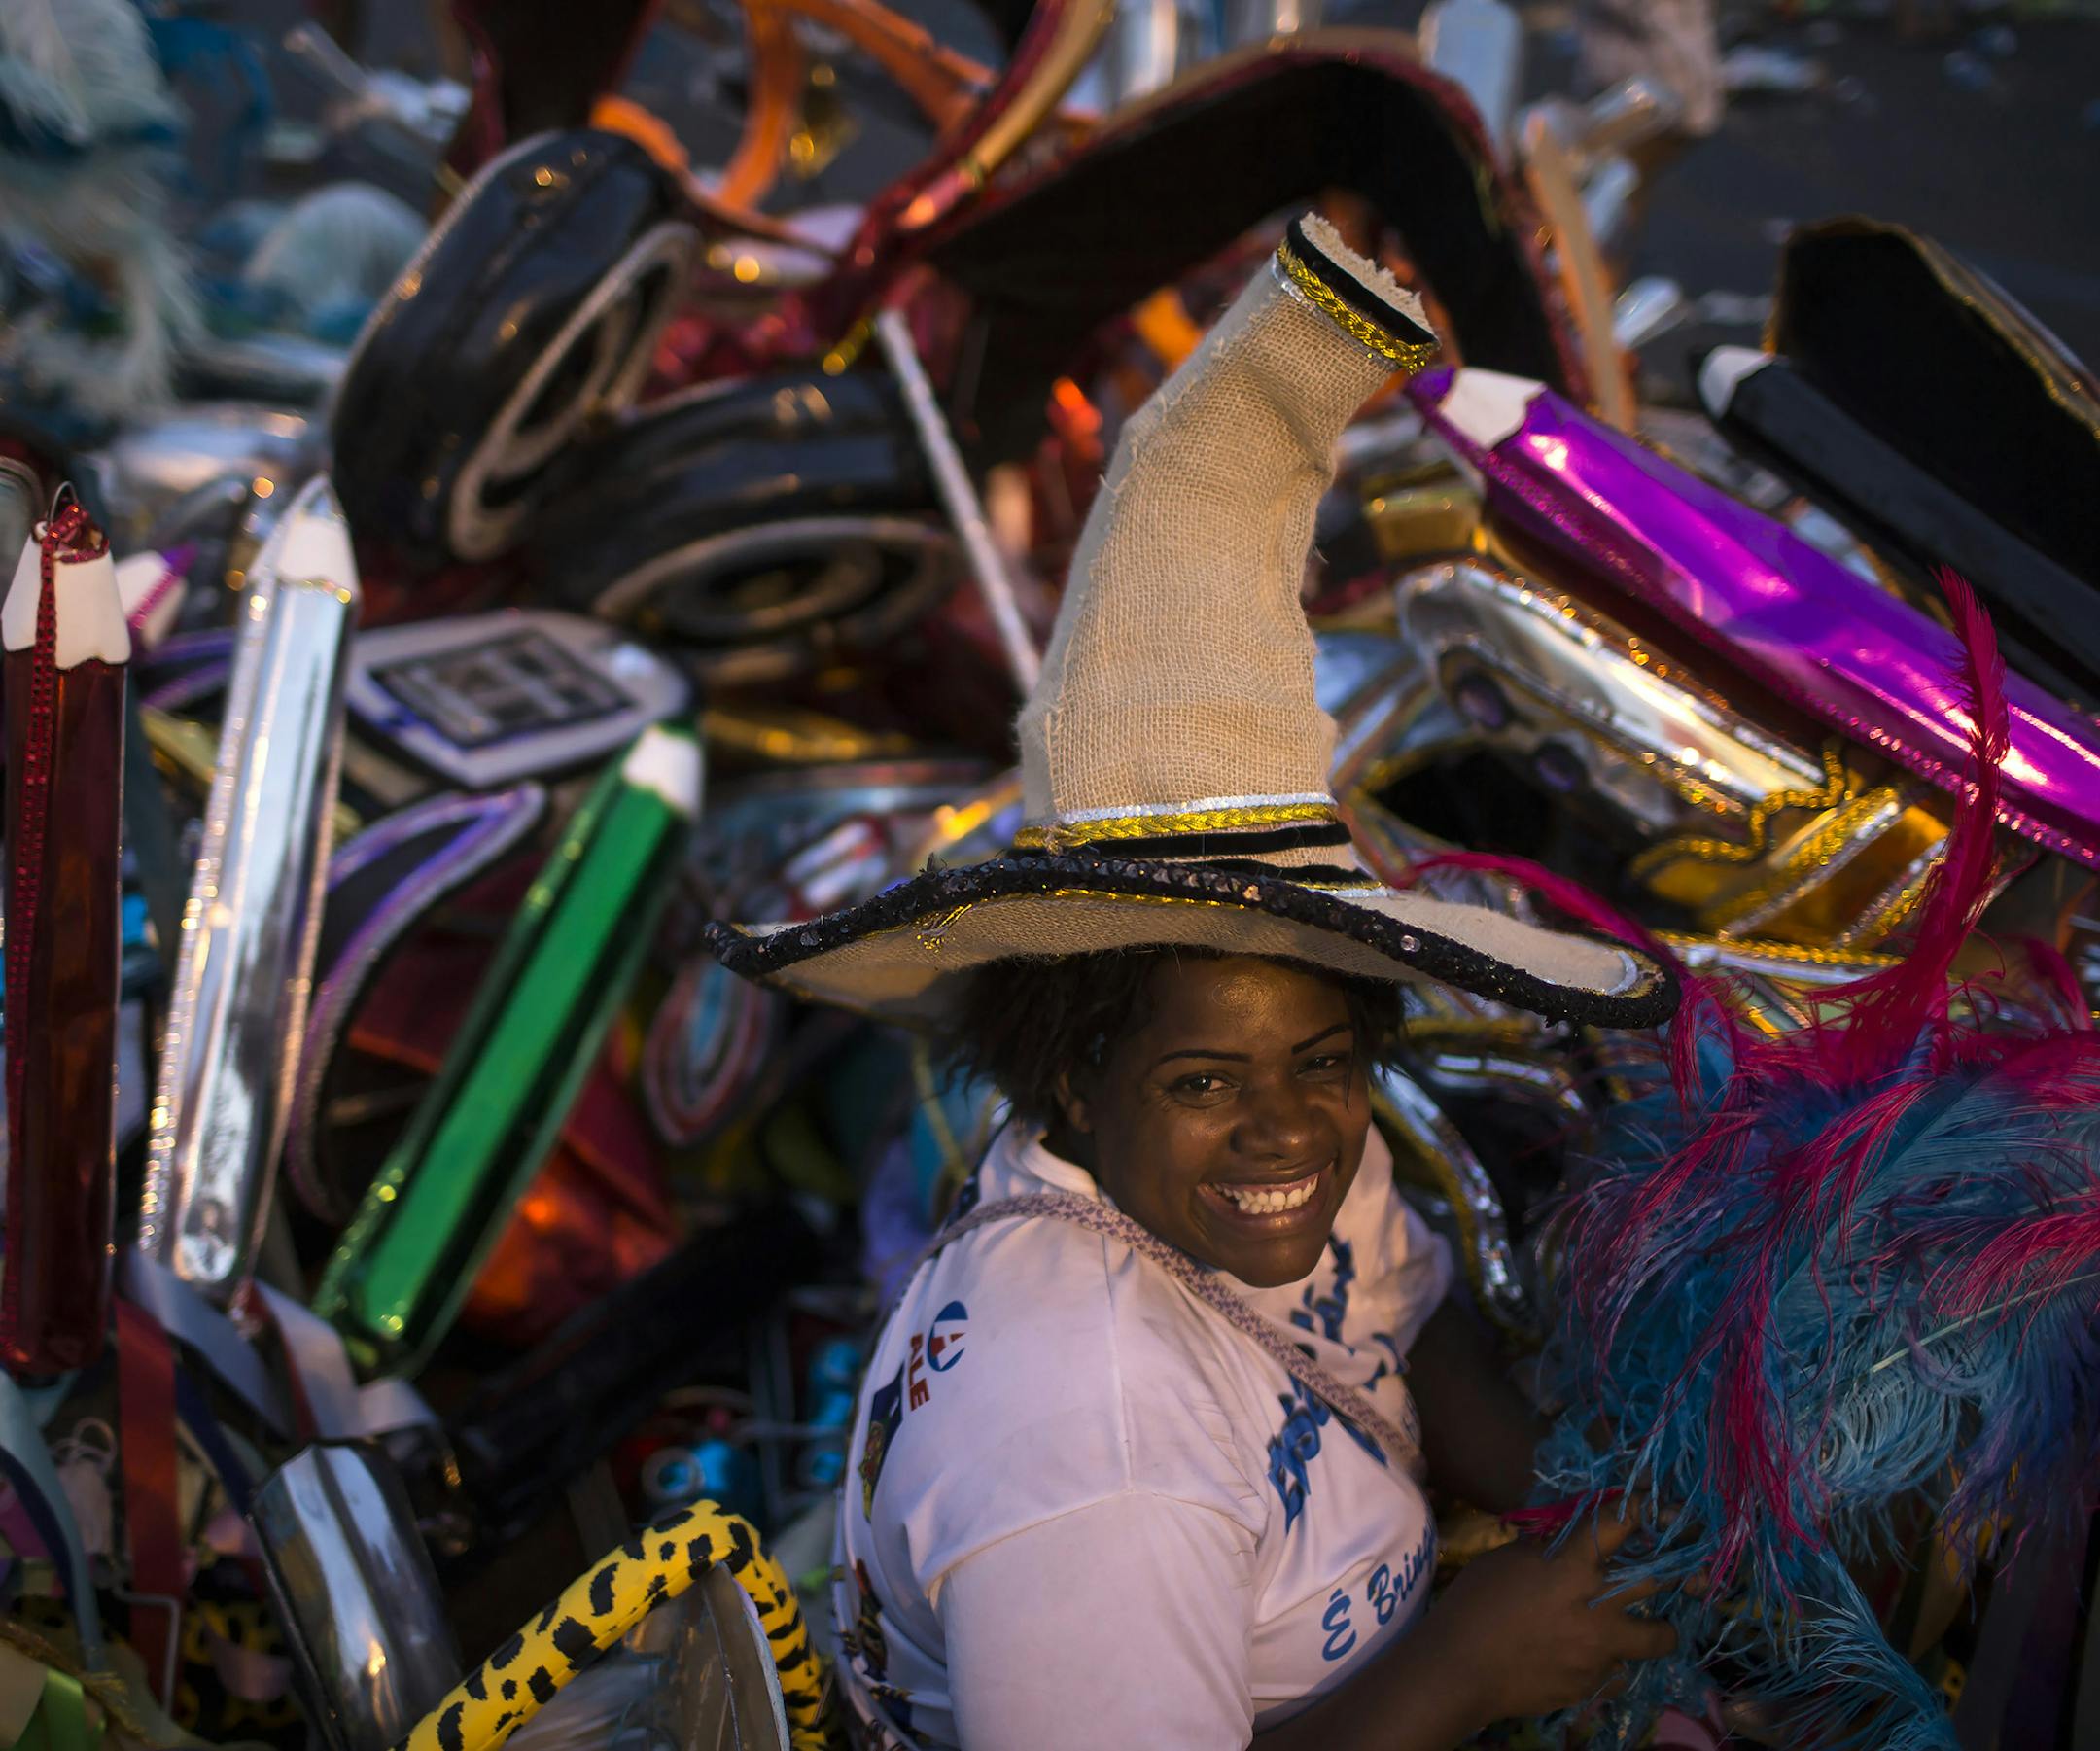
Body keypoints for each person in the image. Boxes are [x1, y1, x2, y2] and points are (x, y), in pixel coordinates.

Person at [709, 213, 1685, 1748]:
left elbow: (1404, 1307)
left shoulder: (1251, 1167)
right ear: (1069, 1079)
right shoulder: (1087, 1434)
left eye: (1325, 1060)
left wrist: (1585, 1506)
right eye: (1202, 1081)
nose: (1289, 1133)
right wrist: (1474, 1668)